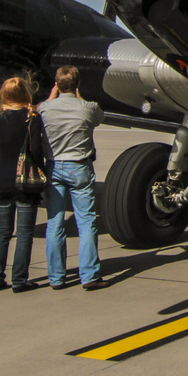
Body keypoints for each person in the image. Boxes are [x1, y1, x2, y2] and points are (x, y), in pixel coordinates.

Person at [38, 65, 108, 290]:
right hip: (80, 166)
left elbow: (37, 112)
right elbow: (99, 118)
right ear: (77, 85)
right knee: (86, 221)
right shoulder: (89, 107)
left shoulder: (46, 108)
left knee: (55, 222)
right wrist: (80, 96)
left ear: (57, 85)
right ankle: (89, 275)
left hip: (54, 166)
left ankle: (56, 276)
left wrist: (51, 97)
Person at [0, 76, 51, 293]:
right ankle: (20, 279)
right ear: (25, 94)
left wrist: (0, 168)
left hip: (1, 181)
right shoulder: (31, 118)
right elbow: (37, 149)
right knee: (24, 234)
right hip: (25, 183)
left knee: (2, 232)